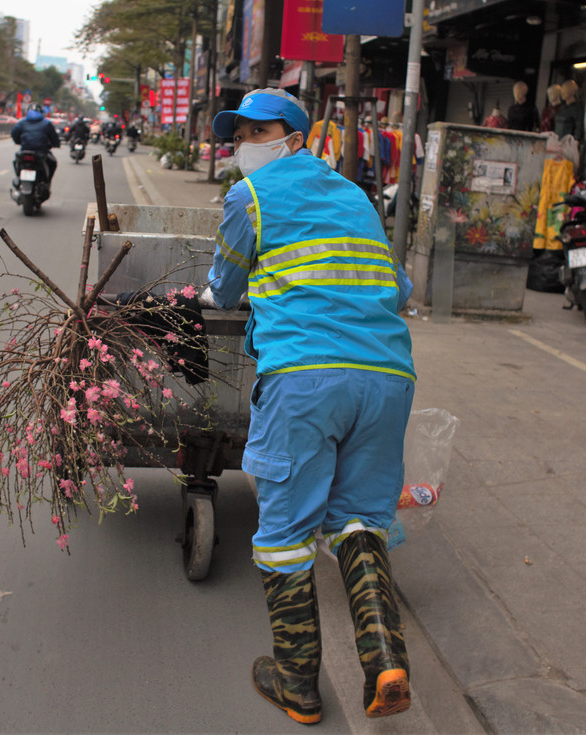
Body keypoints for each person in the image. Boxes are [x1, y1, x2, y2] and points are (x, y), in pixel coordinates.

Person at [203, 88, 416, 725]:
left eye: (256, 130)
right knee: (359, 521)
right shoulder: (355, 197)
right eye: (238, 131)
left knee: (286, 537)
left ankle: (297, 681)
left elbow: (222, 288)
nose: (243, 141)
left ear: (294, 137)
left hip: (304, 381)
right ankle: (385, 659)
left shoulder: (250, 198)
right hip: (387, 380)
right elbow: (397, 287)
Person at [10, 104, 59, 184]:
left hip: (25, 151)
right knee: (53, 163)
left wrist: (18, 142)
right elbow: (54, 137)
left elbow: (14, 134)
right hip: (41, 152)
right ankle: (47, 182)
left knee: (16, 161)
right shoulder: (47, 123)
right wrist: (56, 144)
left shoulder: (22, 122)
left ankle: (18, 178)